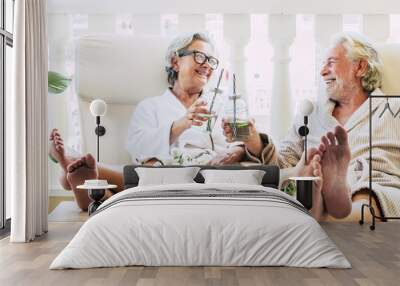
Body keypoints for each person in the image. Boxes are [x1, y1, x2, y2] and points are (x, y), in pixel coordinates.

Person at [49, 32, 245, 211]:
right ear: (175, 62)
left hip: (202, 175)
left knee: (109, 185)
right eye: (199, 56)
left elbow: (245, 141)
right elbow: (137, 147)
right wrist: (181, 124)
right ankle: (84, 179)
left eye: (211, 61)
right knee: (141, 174)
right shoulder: (150, 107)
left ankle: (81, 172)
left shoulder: (222, 103)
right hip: (154, 175)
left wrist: (235, 152)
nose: (207, 65)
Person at [224, 31, 400, 221]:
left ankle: (324, 207)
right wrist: (253, 140)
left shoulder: (394, 108)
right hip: (317, 180)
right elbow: (285, 163)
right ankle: (322, 195)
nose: (322, 71)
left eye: (331, 62)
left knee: (373, 193)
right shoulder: (311, 113)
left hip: (375, 183)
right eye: (322, 64)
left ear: (360, 67)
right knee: (302, 174)